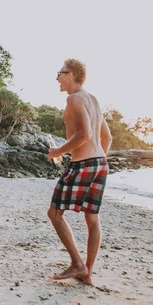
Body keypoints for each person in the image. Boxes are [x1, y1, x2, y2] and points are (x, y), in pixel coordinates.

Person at [46, 59, 112, 286]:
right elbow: (107, 138)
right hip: (100, 163)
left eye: (60, 73)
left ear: (72, 75)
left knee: (54, 214)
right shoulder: (92, 99)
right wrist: (97, 159)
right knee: (92, 218)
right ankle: (87, 272)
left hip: (83, 164)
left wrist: (59, 150)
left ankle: (77, 264)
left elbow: (84, 135)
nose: (57, 78)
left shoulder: (74, 99)